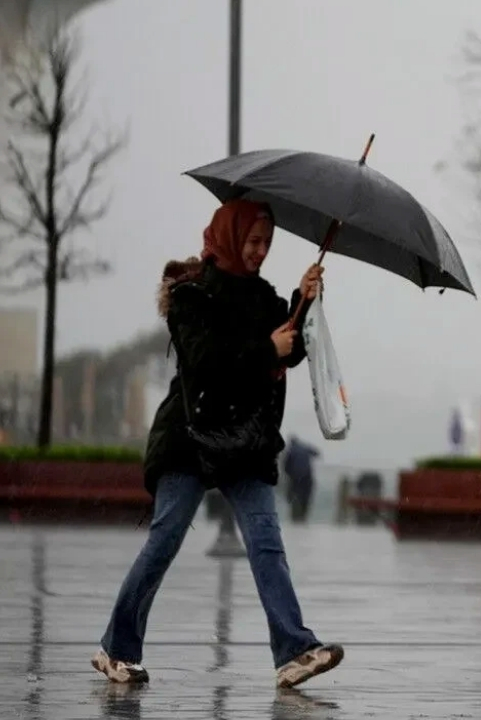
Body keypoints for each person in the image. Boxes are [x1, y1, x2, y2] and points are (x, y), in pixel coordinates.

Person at [92, 199, 344, 689]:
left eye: (267, 243)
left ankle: (294, 650)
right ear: (229, 237)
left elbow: (288, 346)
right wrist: (265, 349)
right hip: (189, 435)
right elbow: (207, 362)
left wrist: (304, 298)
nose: (260, 251)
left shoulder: (264, 296)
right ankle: (116, 650)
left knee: (266, 542)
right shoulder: (191, 297)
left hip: (243, 440)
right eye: (253, 241)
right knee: (165, 539)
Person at [283, 435, 320, 523]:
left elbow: (286, 466)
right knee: (306, 496)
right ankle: (303, 516)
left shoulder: (291, 450)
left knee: (295, 495)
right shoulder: (305, 447)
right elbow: (316, 453)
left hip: (296, 477)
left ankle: (295, 517)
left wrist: (289, 476)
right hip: (307, 476)